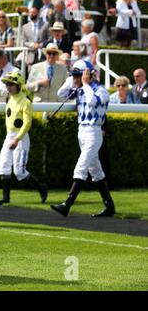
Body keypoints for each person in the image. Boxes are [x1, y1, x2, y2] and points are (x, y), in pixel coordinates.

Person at [51, 60, 115, 218]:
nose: (76, 79)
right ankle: (109, 206)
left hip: (94, 132)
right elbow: (61, 94)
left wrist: (85, 83)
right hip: (82, 131)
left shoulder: (101, 91)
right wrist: (70, 78)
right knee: (96, 171)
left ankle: (67, 204)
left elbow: (93, 102)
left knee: (81, 167)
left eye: (78, 75)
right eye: (75, 76)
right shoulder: (79, 89)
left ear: (88, 75)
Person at [0, 71, 48, 206]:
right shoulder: (10, 98)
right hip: (9, 136)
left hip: (20, 138)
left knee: (19, 172)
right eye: (7, 84)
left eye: (11, 84)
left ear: (18, 85)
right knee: (3, 166)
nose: (8, 87)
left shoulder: (26, 101)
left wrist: (17, 139)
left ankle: (41, 187)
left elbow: (27, 123)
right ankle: (6, 198)